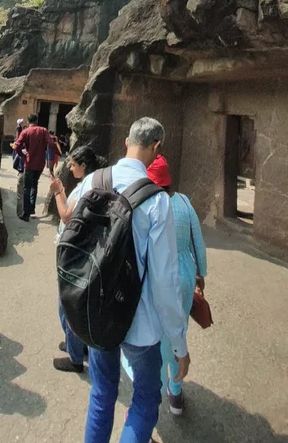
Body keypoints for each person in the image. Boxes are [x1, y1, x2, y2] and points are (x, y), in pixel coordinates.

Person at [76, 117, 189, 443]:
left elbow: (67, 234)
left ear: (127, 141)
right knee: (146, 397)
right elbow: (165, 280)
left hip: (96, 311)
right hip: (139, 321)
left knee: (102, 392)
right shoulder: (157, 200)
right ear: (157, 148)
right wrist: (179, 344)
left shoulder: (93, 180)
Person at [145, 153, 207, 416]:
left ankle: (156, 389)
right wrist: (201, 274)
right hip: (183, 273)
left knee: (157, 333)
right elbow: (198, 242)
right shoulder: (183, 201)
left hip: (156, 273)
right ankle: (176, 391)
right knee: (178, 328)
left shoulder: (147, 204)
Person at [50, 145, 104, 373]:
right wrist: (62, 190)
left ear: (83, 165)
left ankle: (75, 357)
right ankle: (77, 345)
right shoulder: (92, 182)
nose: (71, 169)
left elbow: (66, 215)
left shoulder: (87, 186)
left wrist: (56, 192)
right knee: (73, 302)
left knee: (68, 304)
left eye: (73, 165)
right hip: (83, 248)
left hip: (75, 251)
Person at [14, 113, 54, 222]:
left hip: (29, 162)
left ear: (28, 121)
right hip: (40, 163)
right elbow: (51, 143)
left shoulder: (26, 132)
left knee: (26, 187)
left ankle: (26, 213)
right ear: (36, 121)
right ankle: (31, 209)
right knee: (34, 185)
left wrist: (22, 155)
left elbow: (17, 145)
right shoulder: (43, 130)